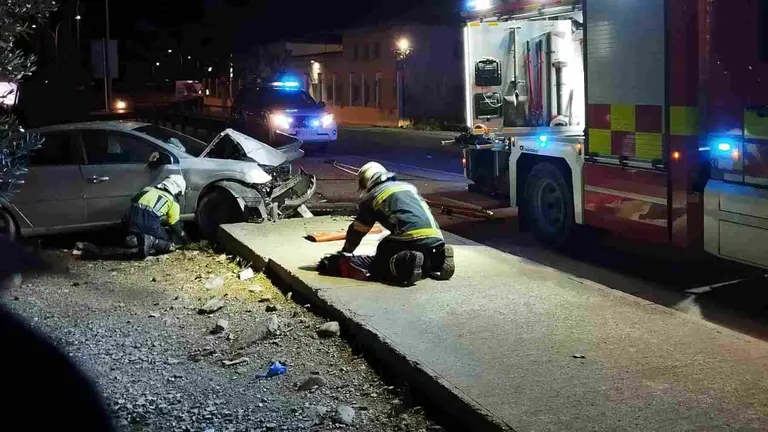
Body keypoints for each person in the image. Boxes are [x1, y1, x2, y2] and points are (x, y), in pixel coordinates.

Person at [339, 162, 455, 286]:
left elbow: (358, 230)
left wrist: (346, 252)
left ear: (366, 182)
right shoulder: (408, 187)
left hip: (409, 238)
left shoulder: (372, 196)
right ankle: (439, 259)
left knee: (381, 256)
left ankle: (407, 262)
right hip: (435, 237)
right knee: (424, 260)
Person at [123, 174, 188, 258]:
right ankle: (152, 241)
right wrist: (184, 237)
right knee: (170, 241)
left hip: (130, 222)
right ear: (177, 190)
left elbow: (134, 201)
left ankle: (134, 239)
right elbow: (173, 223)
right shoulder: (172, 202)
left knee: (140, 229)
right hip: (149, 223)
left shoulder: (146, 189)